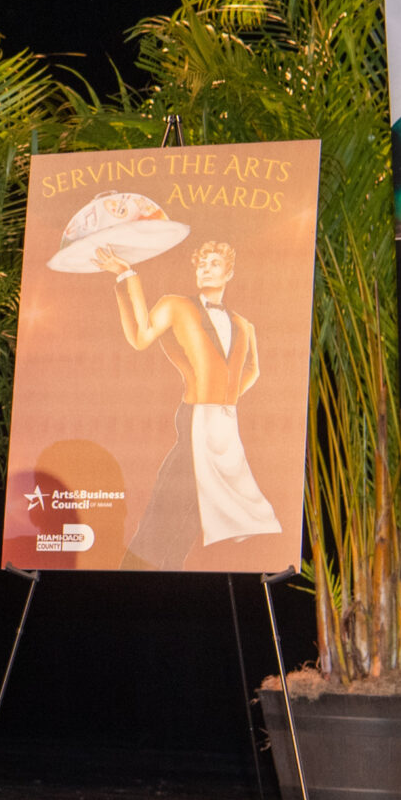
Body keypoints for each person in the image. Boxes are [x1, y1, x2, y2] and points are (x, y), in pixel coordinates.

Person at [92, 239, 281, 568]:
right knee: (169, 502)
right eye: (201, 264)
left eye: (214, 263)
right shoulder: (175, 305)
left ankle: (169, 574)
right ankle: (134, 574)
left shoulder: (243, 325)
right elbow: (140, 336)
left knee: (196, 508)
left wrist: (226, 397)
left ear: (229, 273)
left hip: (225, 423)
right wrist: (126, 275)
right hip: (195, 416)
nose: (205, 269)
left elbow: (253, 369)